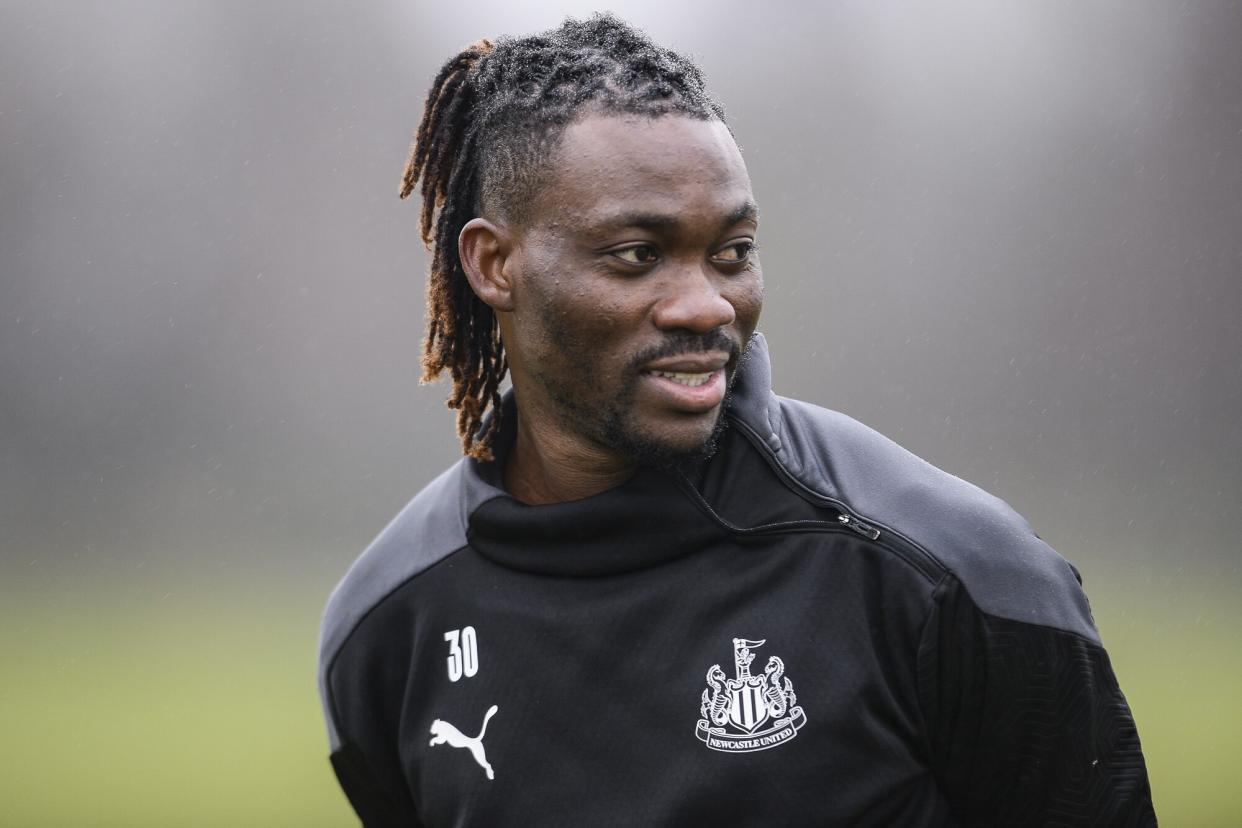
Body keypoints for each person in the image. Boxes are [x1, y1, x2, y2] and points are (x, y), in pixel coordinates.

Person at [318, 14, 1155, 826]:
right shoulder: (386, 625)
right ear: (493, 264)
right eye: (637, 255)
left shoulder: (956, 577)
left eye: (733, 252)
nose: (705, 304)